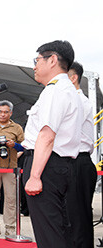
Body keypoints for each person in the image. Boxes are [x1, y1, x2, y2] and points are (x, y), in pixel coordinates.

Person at [22, 40, 82, 248]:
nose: (34, 66)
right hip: (62, 166)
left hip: (47, 166)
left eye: (37, 60)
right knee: (61, 229)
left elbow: (47, 135)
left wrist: (35, 176)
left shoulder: (55, 90)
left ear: (53, 60)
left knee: (49, 233)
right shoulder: (69, 90)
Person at [0, 100, 24, 236]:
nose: (2, 114)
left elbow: (25, 146)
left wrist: (14, 146)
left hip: (10, 166)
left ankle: (10, 227)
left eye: (6, 112)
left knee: (11, 198)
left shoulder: (17, 128)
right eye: (0, 112)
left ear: (11, 113)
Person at [67, 61, 96, 247]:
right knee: (73, 216)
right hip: (75, 162)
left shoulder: (79, 101)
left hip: (80, 161)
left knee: (79, 217)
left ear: (73, 77)